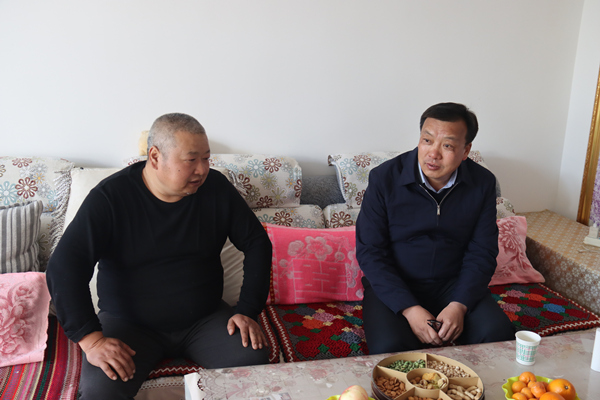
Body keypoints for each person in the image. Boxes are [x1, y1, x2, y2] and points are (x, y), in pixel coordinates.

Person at [46, 113, 273, 399]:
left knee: (253, 365)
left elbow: (257, 242)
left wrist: (247, 309)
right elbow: (64, 267)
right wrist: (92, 342)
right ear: (155, 157)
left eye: (206, 158)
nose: (202, 169)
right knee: (100, 391)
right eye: (191, 160)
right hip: (129, 325)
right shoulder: (110, 197)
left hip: (205, 319)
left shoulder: (215, 187)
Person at [356, 102, 515, 354]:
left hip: (454, 283)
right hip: (397, 283)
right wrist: (410, 309)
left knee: (498, 337)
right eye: (427, 140)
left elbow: (482, 251)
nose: (433, 154)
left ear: (466, 150)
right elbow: (370, 251)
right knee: (392, 349)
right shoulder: (384, 178)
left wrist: (459, 304)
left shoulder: (482, 183)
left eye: (447, 145)